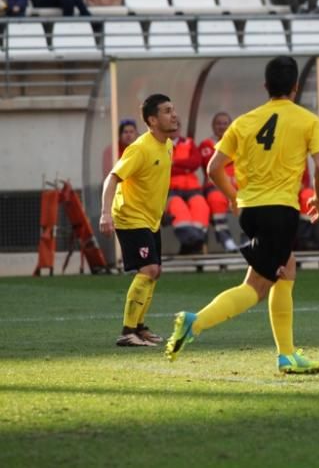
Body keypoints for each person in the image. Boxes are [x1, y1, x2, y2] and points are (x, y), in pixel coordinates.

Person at [166, 56, 319, 375]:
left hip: (251, 210)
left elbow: (214, 168)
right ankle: (195, 322)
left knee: (287, 269)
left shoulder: (243, 122)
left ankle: (287, 355)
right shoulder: (307, 120)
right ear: (295, 88)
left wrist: (232, 197)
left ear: (266, 87)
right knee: (256, 286)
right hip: (280, 211)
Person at [99, 94, 178, 347]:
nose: (174, 115)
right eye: (167, 111)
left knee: (154, 272)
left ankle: (140, 328)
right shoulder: (140, 148)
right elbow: (112, 178)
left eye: (173, 110)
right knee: (149, 270)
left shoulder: (167, 145)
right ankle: (127, 331)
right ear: (153, 120)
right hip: (130, 217)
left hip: (150, 218)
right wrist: (105, 213)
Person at [166, 122, 210, 256]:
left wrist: (174, 163)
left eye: (176, 126)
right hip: (171, 188)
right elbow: (163, 167)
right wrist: (184, 167)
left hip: (192, 188)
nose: (174, 129)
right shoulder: (160, 145)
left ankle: (190, 244)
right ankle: (195, 241)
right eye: (171, 127)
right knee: (178, 208)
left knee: (201, 206)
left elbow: (195, 162)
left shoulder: (189, 143)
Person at [198, 111, 239, 252]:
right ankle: (225, 238)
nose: (222, 126)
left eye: (225, 123)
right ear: (213, 126)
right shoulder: (206, 144)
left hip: (238, 186)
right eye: (218, 123)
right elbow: (210, 163)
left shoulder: (238, 143)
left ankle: (249, 238)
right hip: (215, 186)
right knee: (216, 199)